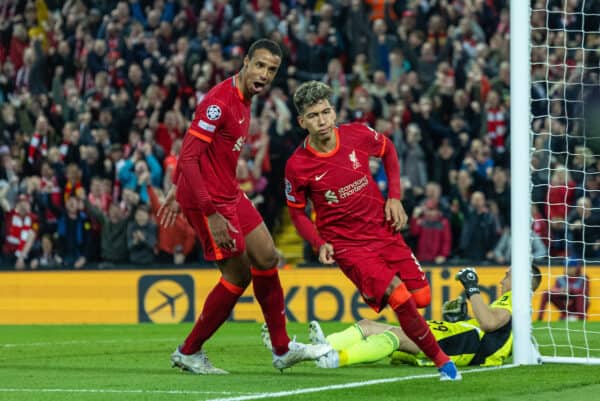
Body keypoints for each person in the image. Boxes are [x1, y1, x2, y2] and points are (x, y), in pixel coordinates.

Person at [157, 39, 330, 374]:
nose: (264, 74)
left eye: (272, 70)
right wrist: (208, 211)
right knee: (237, 275)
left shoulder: (244, 99)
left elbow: (197, 151)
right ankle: (189, 351)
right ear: (246, 61)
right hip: (209, 200)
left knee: (267, 255)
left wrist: (176, 187)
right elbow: (189, 155)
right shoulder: (218, 103)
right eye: (260, 65)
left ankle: (282, 349)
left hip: (229, 192)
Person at [283, 81, 461, 380]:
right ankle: (444, 363)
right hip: (347, 245)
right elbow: (297, 212)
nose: (323, 120)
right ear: (302, 122)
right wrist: (318, 242)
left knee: (422, 298)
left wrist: (394, 196)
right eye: (313, 116)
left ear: (334, 111)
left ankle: (344, 338)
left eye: (326, 112)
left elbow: (389, 150)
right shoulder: (297, 166)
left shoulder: (357, 134)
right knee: (398, 294)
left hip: (383, 230)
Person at [263, 265, 541, 368]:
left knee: (392, 336)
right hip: (460, 336)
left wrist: (471, 287)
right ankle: (320, 347)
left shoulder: (517, 297)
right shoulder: (517, 306)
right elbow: (500, 329)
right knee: (367, 324)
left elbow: (490, 323)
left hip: (463, 342)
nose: (505, 276)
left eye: (509, 273)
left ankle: (333, 357)